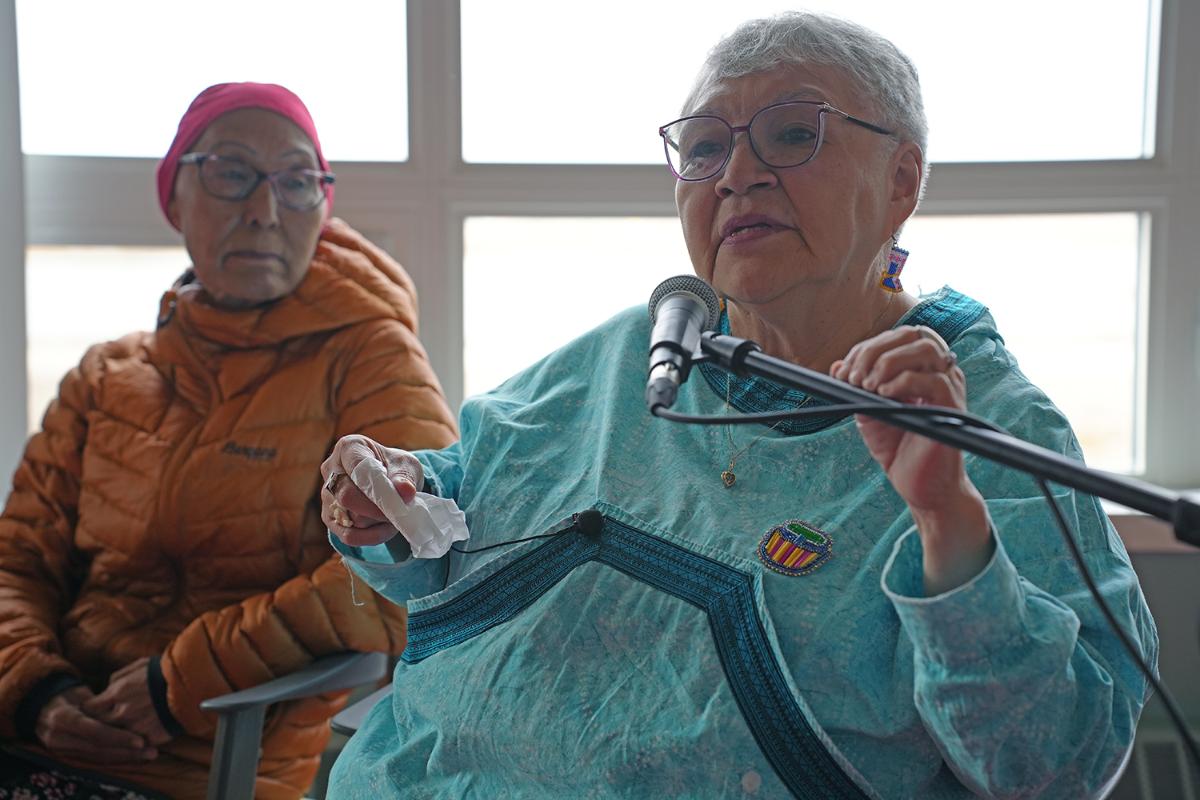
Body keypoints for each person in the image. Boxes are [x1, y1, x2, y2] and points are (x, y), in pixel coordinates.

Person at [320, 13, 1158, 799]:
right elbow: (457, 505)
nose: (739, 176)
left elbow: (1053, 765)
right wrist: (396, 496)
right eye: (706, 147)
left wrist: (947, 521)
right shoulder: (637, 350)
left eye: (795, 134)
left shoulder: (989, 423)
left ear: (903, 179)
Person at [0, 82, 458, 799]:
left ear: (323, 206)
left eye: (297, 182)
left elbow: (412, 565)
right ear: (174, 197)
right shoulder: (103, 378)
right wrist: (34, 691)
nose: (264, 210)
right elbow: (16, 563)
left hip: (208, 764)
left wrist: (180, 679)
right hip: (32, 737)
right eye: (231, 172)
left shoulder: (367, 357)